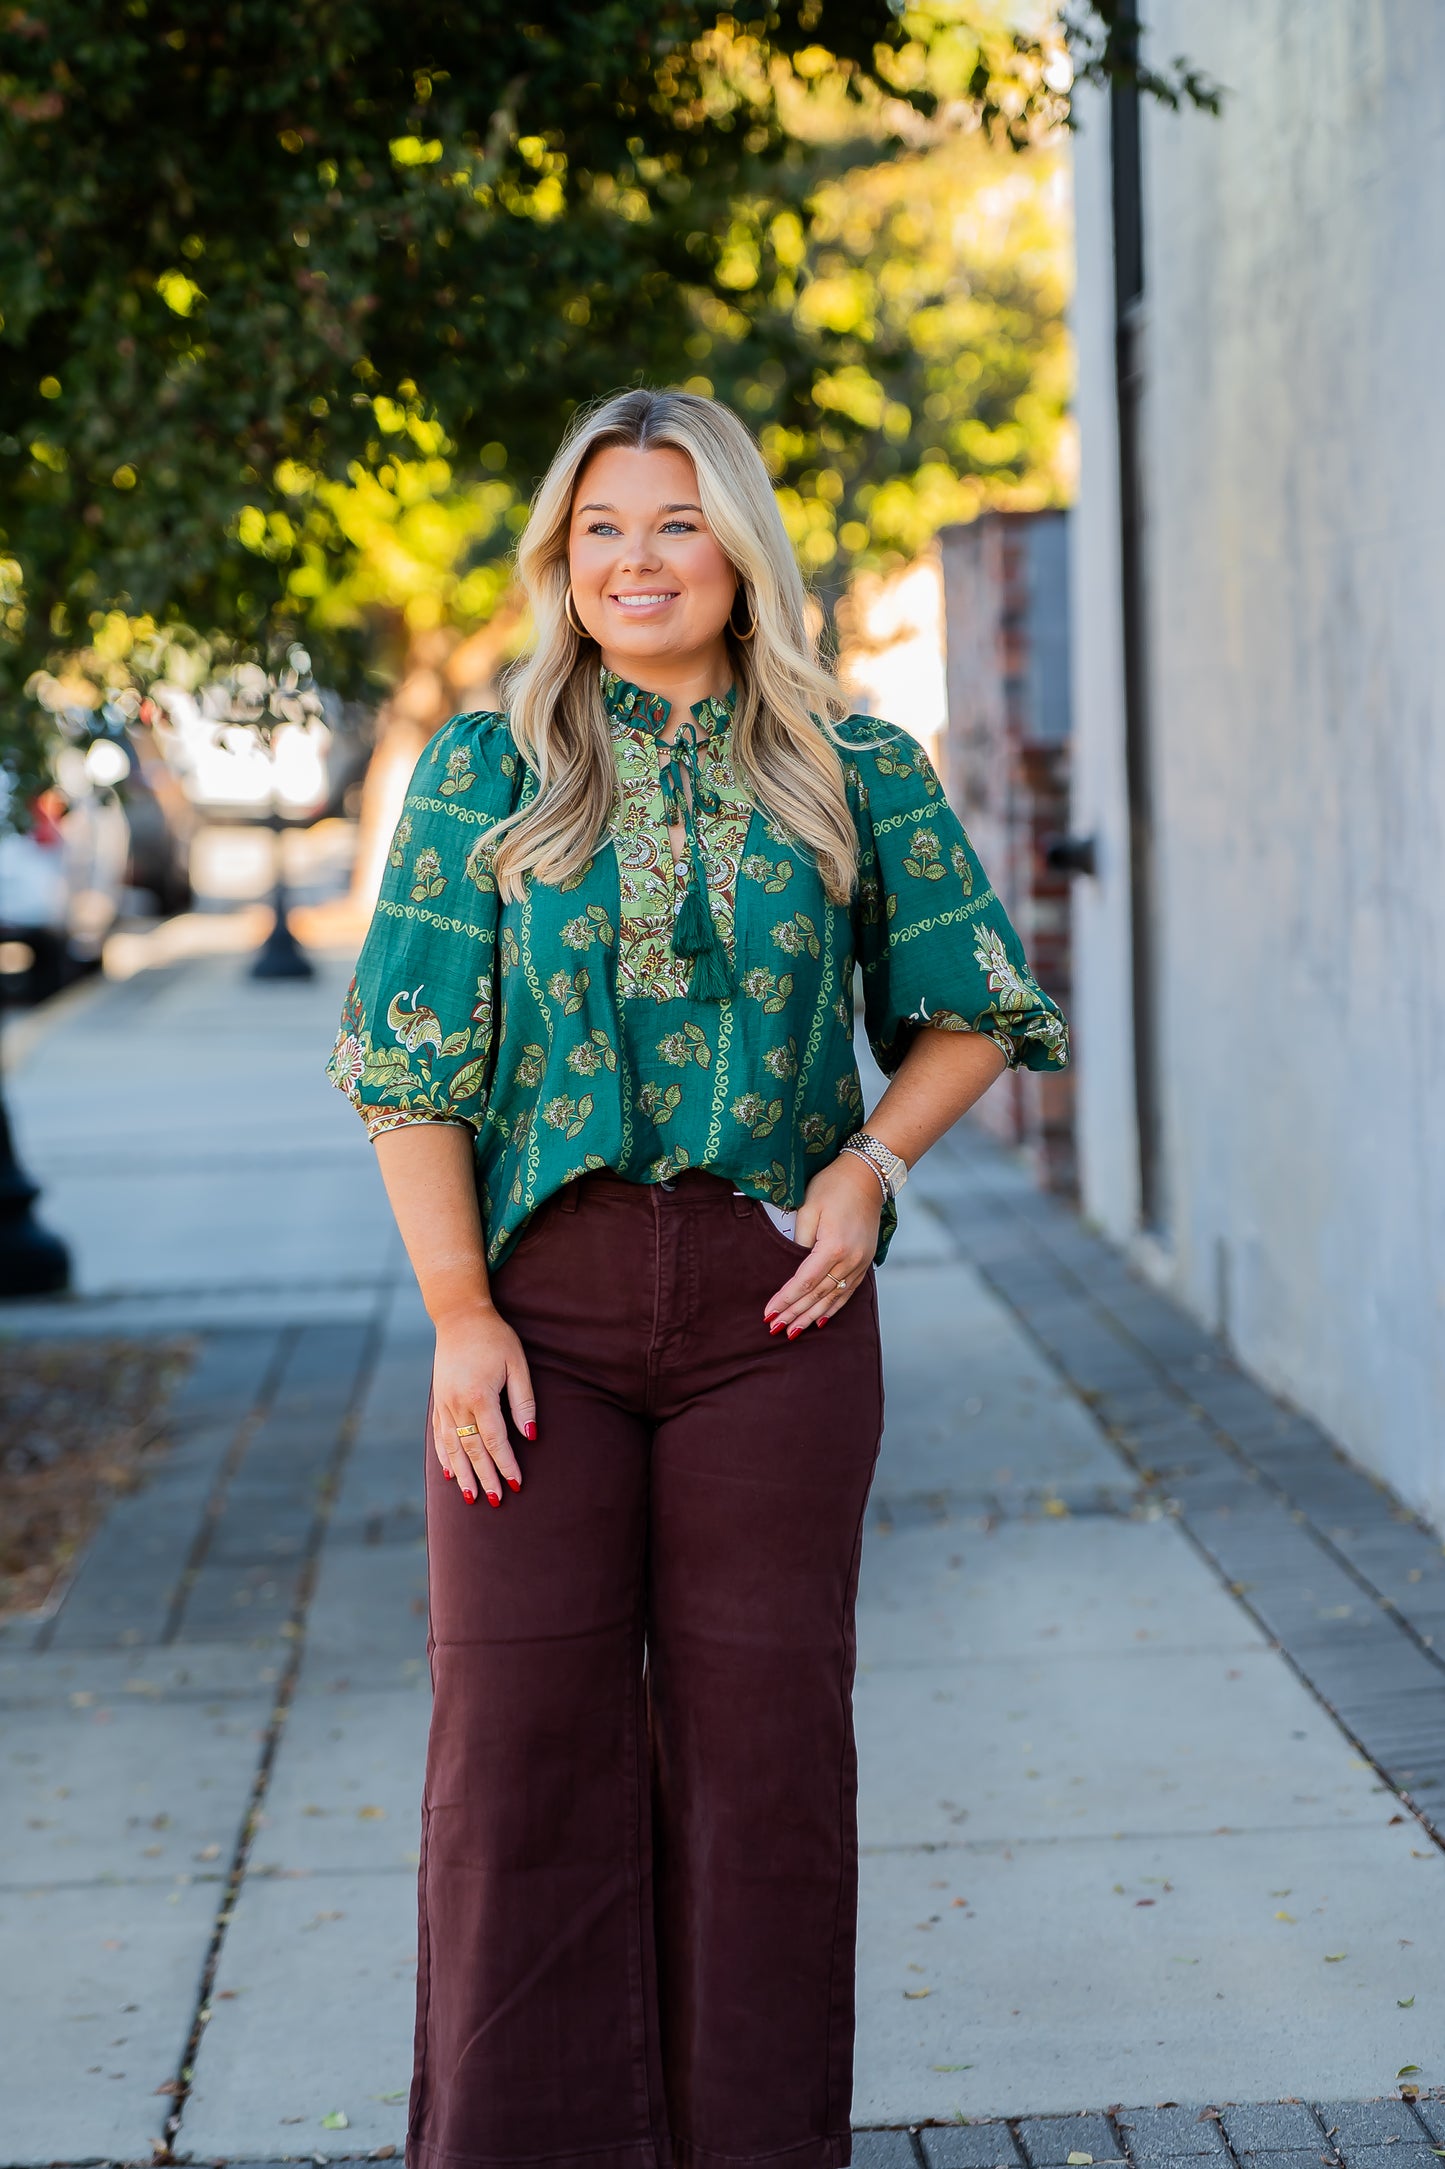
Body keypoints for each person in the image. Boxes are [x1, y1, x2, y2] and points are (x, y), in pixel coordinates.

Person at [328, 387, 1068, 2169]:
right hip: (538, 1319)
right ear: (557, 559)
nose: (634, 560)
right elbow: (410, 1058)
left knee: (764, 1768)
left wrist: (869, 1168)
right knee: (517, 1751)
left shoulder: (851, 762)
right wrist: (456, 1312)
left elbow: (973, 1000)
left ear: (738, 549)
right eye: (600, 527)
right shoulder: (483, 766)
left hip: (774, 1319)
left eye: (673, 523)